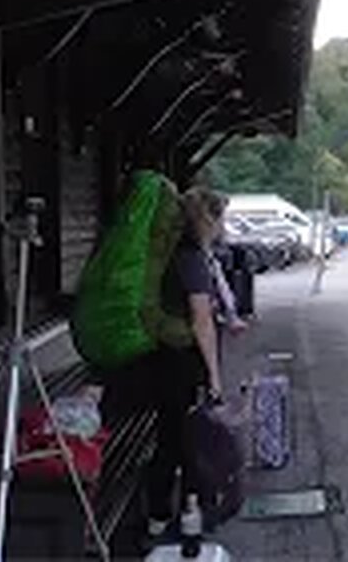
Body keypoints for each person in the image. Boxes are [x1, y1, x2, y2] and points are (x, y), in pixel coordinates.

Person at [143, 186, 228, 547]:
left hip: (163, 359)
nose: (224, 224)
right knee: (188, 441)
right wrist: (214, 375)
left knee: (172, 438)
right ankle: (180, 517)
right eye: (221, 216)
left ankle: (162, 515)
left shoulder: (174, 252)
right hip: (183, 364)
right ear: (207, 218)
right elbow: (201, 320)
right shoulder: (191, 257)